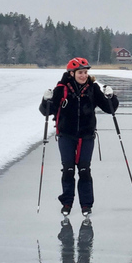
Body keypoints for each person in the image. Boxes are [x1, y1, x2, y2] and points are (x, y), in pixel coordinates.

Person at [40, 57, 119, 217]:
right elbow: (46, 111)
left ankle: (86, 205)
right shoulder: (61, 89)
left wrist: (111, 97)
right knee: (68, 170)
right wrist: (45, 100)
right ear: (71, 73)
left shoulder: (92, 88)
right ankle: (67, 203)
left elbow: (109, 109)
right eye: (80, 73)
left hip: (86, 136)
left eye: (85, 72)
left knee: (84, 170)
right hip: (66, 136)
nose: (83, 76)